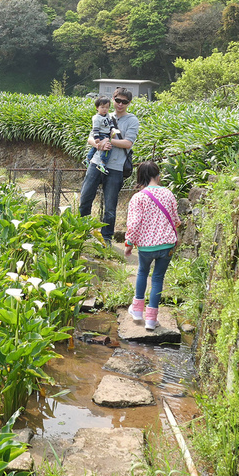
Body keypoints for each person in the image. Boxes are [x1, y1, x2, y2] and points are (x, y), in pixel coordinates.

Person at [123, 160, 179, 331]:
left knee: (142, 272)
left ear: (140, 177)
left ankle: (137, 311)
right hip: (166, 245)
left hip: (146, 247)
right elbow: (176, 220)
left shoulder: (138, 197)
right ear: (158, 176)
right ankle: (151, 320)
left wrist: (129, 243)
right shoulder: (168, 194)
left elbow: (134, 224)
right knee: (158, 279)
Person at [79, 87, 139, 244]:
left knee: (110, 207)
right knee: (85, 199)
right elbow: (90, 138)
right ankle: (82, 233)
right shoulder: (104, 115)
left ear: (129, 103)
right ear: (113, 100)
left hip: (116, 168)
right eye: (118, 100)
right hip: (96, 163)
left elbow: (128, 143)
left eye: (124, 102)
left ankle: (106, 238)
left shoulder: (132, 120)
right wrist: (99, 145)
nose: (120, 104)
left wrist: (109, 141)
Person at [86, 96, 116, 173]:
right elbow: (95, 129)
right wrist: (96, 138)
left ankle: (88, 159)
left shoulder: (108, 115)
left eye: (107, 107)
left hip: (107, 134)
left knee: (96, 148)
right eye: (102, 107)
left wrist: (112, 129)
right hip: (101, 134)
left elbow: (111, 123)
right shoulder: (96, 118)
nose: (105, 109)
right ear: (97, 107)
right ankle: (102, 164)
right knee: (108, 148)